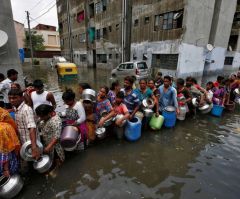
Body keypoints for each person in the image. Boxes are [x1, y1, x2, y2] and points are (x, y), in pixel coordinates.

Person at [8, 89, 40, 160]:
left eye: (14, 98)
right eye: (10, 98)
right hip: (24, 143)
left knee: (36, 161)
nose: (12, 100)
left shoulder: (26, 110)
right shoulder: (15, 108)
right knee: (30, 161)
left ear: (21, 98)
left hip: (32, 143)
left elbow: (32, 128)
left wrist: (34, 147)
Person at [0, 108, 20, 177]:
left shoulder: (2, 128)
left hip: (5, 162)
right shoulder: (7, 126)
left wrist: (6, 169)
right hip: (11, 159)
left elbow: (4, 150)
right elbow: (5, 150)